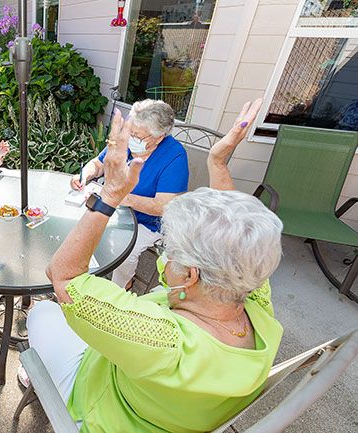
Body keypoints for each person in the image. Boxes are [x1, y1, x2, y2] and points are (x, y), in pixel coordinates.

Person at [27, 100, 285, 433]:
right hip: (168, 409)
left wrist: (112, 194)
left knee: (41, 314)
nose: (165, 260)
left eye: (171, 254)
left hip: (102, 407)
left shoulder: (156, 339)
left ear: (191, 275)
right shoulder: (257, 304)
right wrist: (217, 161)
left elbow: (62, 275)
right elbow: (241, 238)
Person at [71, 99, 188, 289]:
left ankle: (120, 289)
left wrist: (125, 198)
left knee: (121, 251)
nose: (131, 138)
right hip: (112, 207)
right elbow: (99, 164)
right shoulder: (126, 137)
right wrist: (84, 175)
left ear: (159, 138)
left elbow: (163, 206)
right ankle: (79, 276)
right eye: (130, 131)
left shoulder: (174, 157)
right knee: (79, 228)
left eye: (138, 137)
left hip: (147, 222)